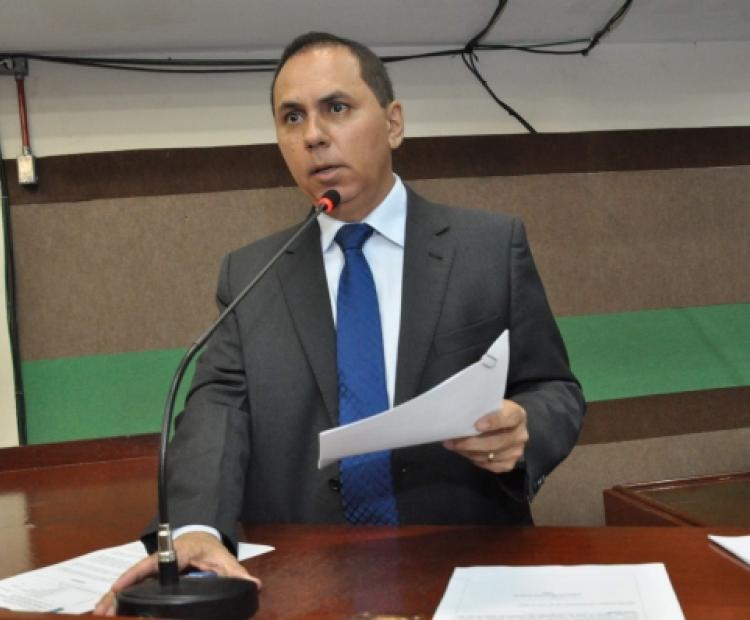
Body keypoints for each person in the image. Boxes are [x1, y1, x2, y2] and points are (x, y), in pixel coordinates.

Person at [95, 31, 584, 615]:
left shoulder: (488, 247)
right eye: (292, 117)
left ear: (394, 123)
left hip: (465, 568)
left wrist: (525, 430)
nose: (313, 135)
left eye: (336, 107)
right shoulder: (251, 274)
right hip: (304, 582)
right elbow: (217, 411)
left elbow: (554, 388)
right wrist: (196, 528)